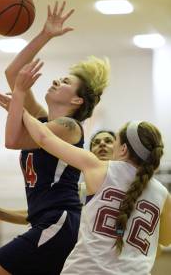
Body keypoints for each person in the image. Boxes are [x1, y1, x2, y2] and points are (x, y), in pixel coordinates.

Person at [0, 0, 110, 275]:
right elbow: (12, 72)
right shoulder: (44, 120)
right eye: (59, 78)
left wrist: (20, 98)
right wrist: (45, 34)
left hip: (59, 223)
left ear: (78, 101)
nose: (57, 80)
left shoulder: (69, 127)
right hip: (48, 222)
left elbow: (11, 141)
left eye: (66, 82)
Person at [15, 70, 170, 275]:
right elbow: (166, 239)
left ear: (122, 149)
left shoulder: (98, 167)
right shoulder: (163, 194)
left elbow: (44, 139)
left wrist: (18, 103)